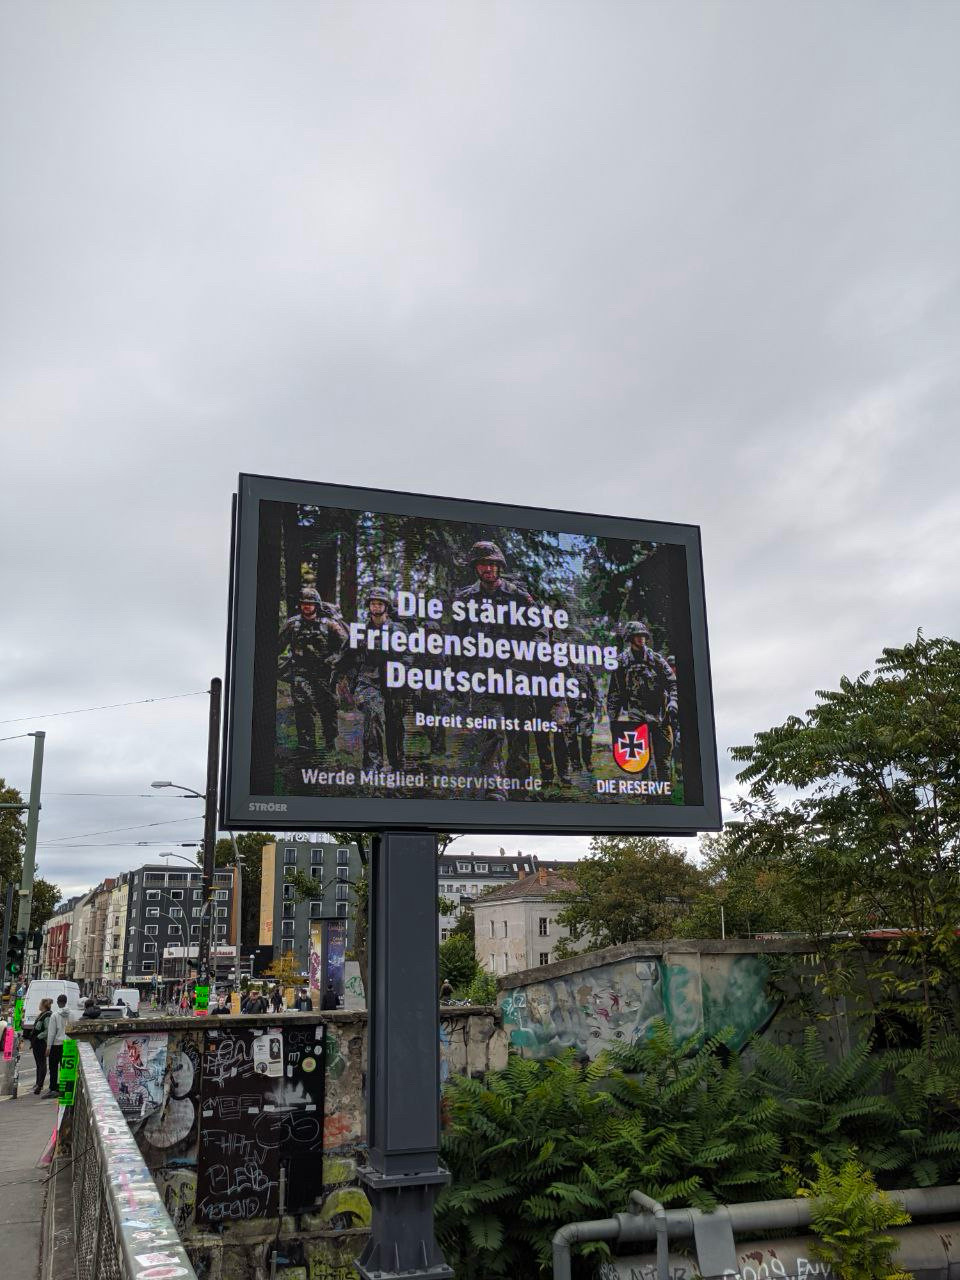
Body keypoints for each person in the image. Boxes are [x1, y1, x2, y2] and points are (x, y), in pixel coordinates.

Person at [340, 585, 408, 771]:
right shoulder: (360, 630)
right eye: (373, 603)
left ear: (386, 606)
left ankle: (397, 763)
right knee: (373, 715)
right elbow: (345, 656)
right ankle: (372, 765)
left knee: (395, 722)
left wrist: (406, 678)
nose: (376, 607)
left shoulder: (399, 630)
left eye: (380, 603)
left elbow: (409, 656)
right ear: (368, 606)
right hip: (369, 680)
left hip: (395, 681)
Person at [279, 586, 348, 759]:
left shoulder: (330, 625)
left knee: (329, 707)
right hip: (300, 671)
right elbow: (277, 645)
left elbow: (346, 647)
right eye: (304, 604)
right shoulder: (292, 624)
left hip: (324, 673)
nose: (307, 607)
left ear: (316, 605)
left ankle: (330, 742)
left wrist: (334, 659)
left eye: (310, 604)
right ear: (300, 605)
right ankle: (306, 746)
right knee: (303, 705)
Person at [606, 620, 678, 781]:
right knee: (642, 758)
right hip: (636, 713)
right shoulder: (621, 662)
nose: (641, 639)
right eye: (637, 636)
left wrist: (673, 702)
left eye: (643, 635)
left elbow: (672, 682)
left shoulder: (656, 659)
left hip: (659, 712)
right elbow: (615, 692)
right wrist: (613, 717)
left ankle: (664, 794)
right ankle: (648, 794)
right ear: (630, 638)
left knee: (664, 757)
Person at [46, 993, 69, 1097]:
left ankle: (53, 1087)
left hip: (56, 1044)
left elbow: (51, 1032)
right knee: (64, 1067)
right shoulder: (71, 1014)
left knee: (53, 1067)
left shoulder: (54, 1015)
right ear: (66, 1002)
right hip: (67, 1043)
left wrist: (48, 1046)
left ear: (58, 1002)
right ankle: (64, 1087)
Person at [30, 998, 52, 1094]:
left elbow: (47, 1030)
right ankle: (37, 1083)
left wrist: (38, 1037)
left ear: (43, 1005)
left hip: (41, 1042)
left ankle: (40, 1084)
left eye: (40, 1003)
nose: (38, 1005)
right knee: (38, 1063)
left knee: (41, 1063)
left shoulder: (47, 1015)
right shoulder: (41, 1014)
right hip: (36, 1042)